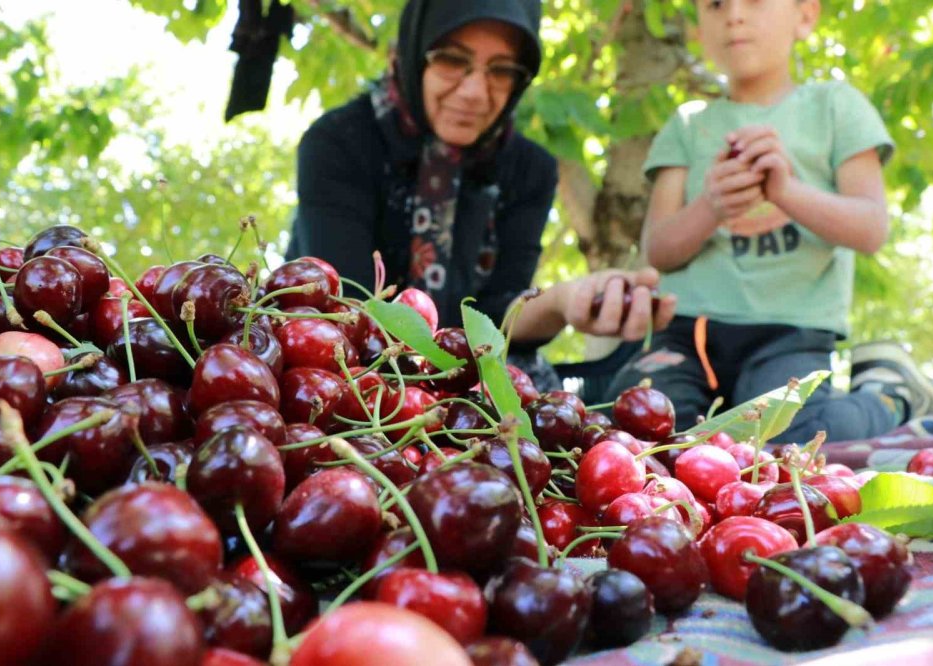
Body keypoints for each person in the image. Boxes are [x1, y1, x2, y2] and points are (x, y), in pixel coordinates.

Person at [285, 0, 675, 390]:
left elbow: (497, 318)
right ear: (415, 54)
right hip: (339, 372)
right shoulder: (338, 143)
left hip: (463, 380)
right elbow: (345, 308)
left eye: (502, 70)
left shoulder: (529, 171)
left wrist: (563, 302)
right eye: (452, 60)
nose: (474, 91)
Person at [602, 0, 933, 443]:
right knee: (635, 419)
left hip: (792, 332)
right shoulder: (687, 124)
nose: (734, 15)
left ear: (805, 16)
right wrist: (711, 207)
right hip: (688, 332)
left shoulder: (837, 107)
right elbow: (659, 249)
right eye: (715, 4)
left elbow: (871, 228)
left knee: (787, 436)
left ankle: (889, 397)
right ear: (699, 26)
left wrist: (785, 193)